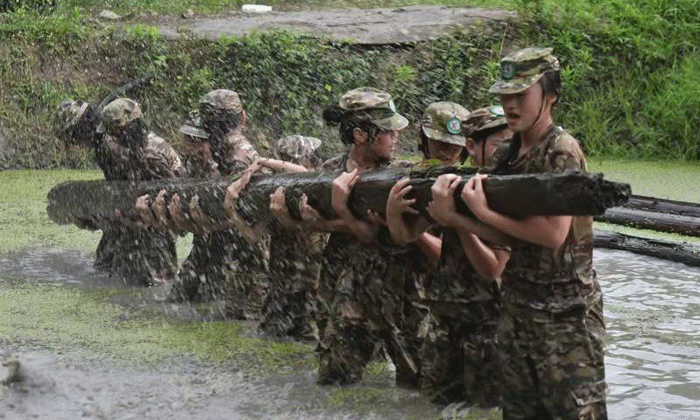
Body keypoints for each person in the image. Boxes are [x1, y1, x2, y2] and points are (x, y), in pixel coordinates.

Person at [462, 48, 607, 419]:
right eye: (504, 96)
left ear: (550, 95)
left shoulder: (561, 150)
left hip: (566, 319)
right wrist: (457, 217)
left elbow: (552, 235)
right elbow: (501, 238)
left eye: (521, 95)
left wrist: (478, 212)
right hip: (517, 310)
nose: (510, 105)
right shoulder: (506, 155)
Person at [311, 87, 427, 389]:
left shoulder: (401, 175)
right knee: (334, 381)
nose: (397, 136)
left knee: (419, 387)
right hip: (350, 291)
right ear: (361, 135)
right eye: (388, 131)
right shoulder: (328, 173)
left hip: (403, 294)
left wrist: (343, 216)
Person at [408, 105, 512, 407]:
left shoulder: (507, 190)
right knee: (434, 404)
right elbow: (405, 234)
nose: (506, 150)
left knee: (484, 408)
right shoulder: (449, 182)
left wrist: (456, 221)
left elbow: (492, 270)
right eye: (499, 142)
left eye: (511, 141)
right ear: (472, 146)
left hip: (488, 318)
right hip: (444, 313)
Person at [224, 135, 326, 340]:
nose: (317, 161)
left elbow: (305, 175)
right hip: (281, 290)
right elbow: (253, 236)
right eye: (312, 157)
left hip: (310, 291)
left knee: (307, 342)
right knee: (272, 341)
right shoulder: (275, 197)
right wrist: (232, 211)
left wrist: (263, 161)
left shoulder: (316, 192)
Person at [93, 98, 181, 285]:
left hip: (158, 222)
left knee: (158, 278)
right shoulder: (126, 145)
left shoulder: (152, 154)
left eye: (114, 134)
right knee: (118, 270)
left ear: (122, 132)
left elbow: (172, 195)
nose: (111, 138)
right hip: (135, 214)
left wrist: (142, 218)